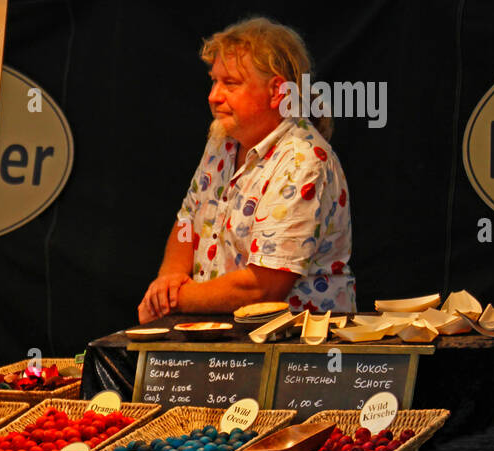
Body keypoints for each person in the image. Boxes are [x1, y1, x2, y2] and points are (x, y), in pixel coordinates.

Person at [137, 17, 355, 323]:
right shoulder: (222, 141)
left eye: (230, 83)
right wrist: (169, 278)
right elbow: (188, 220)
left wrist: (170, 300)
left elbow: (262, 290)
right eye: (214, 81)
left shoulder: (303, 160)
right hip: (231, 340)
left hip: (298, 353)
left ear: (277, 91)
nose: (214, 95)